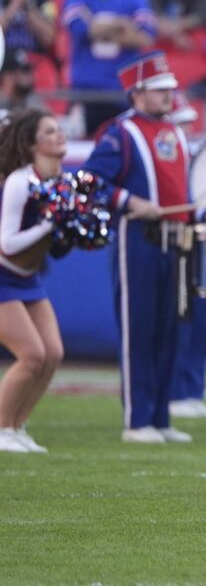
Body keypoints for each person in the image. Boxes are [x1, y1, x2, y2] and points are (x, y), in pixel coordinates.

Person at [80, 52, 192, 443]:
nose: (168, 96)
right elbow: (90, 181)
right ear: (137, 93)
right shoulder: (119, 132)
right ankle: (137, 420)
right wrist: (130, 203)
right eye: (159, 90)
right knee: (139, 329)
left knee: (167, 331)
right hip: (138, 240)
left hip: (175, 241)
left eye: (169, 89)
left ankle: (160, 418)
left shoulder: (175, 131)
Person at [0, 109, 69, 453]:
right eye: (49, 131)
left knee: (53, 353)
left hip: (27, 277)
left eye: (59, 129)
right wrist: (50, 224)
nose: (59, 135)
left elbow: (54, 245)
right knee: (31, 355)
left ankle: (15, 426)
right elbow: (8, 242)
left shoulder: (59, 180)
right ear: (31, 144)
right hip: (2, 275)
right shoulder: (19, 181)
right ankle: (1, 428)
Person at [63, 0, 157, 135]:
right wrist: (122, 24)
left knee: (127, 144)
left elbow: (145, 37)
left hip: (122, 90)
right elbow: (82, 29)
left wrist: (100, 27)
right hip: (85, 90)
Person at [0, 0, 56, 107]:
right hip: (3, 68)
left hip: (34, 69)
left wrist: (27, 5)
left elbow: (49, 37)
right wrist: (16, 3)